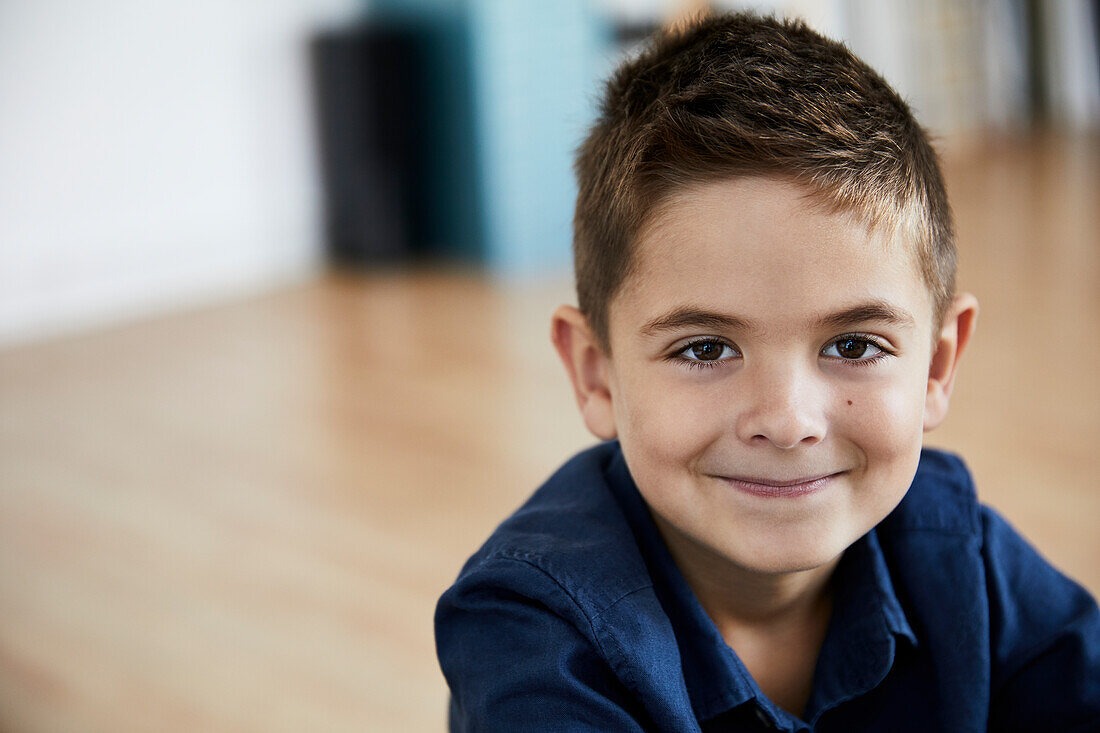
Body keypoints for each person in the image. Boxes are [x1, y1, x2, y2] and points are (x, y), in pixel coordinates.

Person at [435, 12, 1100, 732]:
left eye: (853, 346)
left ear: (937, 365)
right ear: (597, 375)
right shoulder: (528, 630)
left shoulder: (961, 556)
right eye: (705, 349)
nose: (786, 421)